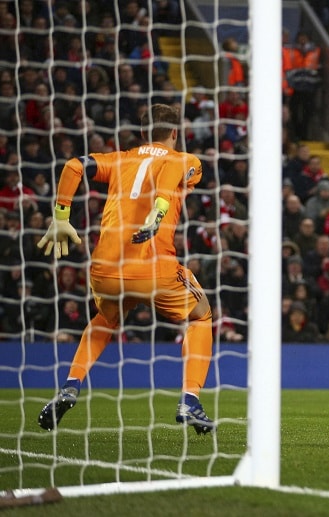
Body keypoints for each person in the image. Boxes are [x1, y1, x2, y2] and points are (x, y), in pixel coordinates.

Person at [36, 104, 215, 435]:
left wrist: (61, 216)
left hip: (105, 269)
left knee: (104, 320)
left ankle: (71, 385)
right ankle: (190, 399)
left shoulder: (119, 159)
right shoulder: (185, 160)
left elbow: (75, 165)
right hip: (152, 266)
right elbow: (171, 175)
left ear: (144, 132)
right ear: (176, 133)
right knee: (201, 315)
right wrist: (158, 212)